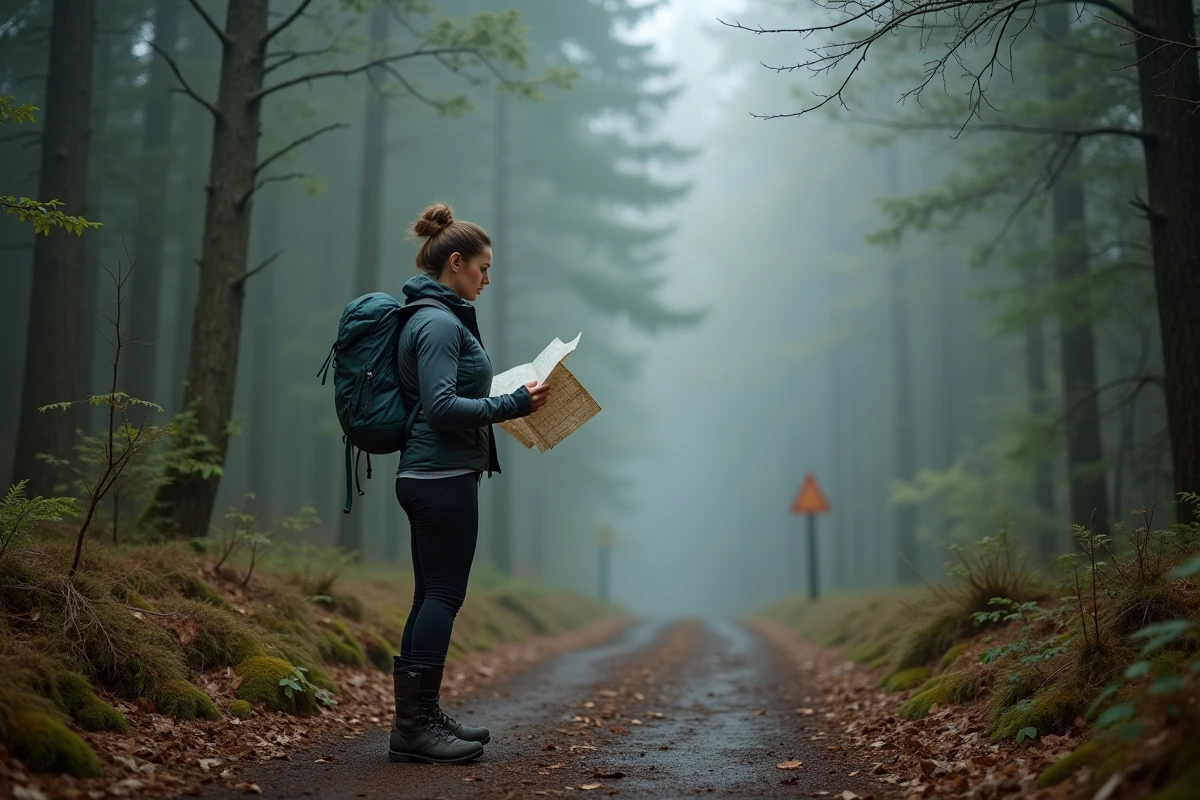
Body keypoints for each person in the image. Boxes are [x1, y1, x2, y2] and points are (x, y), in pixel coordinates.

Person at [387, 202, 551, 765]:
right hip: (440, 475)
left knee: (426, 595)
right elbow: (439, 407)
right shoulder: (436, 323)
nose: (488, 277)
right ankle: (416, 727)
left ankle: (419, 719)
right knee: (444, 595)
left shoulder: (435, 316)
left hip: (432, 473)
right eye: (482, 267)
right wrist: (513, 403)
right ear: (455, 262)